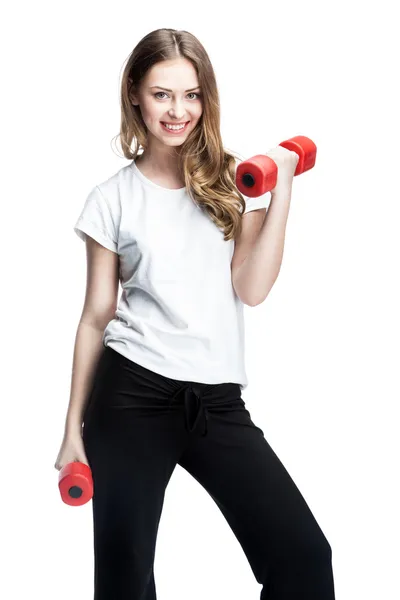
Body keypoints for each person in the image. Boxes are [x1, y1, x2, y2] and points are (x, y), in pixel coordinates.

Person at [54, 28, 336, 600]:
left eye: (191, 94)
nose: (178, 111)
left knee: (304, 558)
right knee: (125, 579)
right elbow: (95, 317)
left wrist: (280, 191)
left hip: (216, 402)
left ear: (206, 98)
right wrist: (70, 433)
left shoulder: (233, 180)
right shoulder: (111, 199)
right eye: (162, 94)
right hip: (131, 395)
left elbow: (251, 289)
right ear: (135, 94)